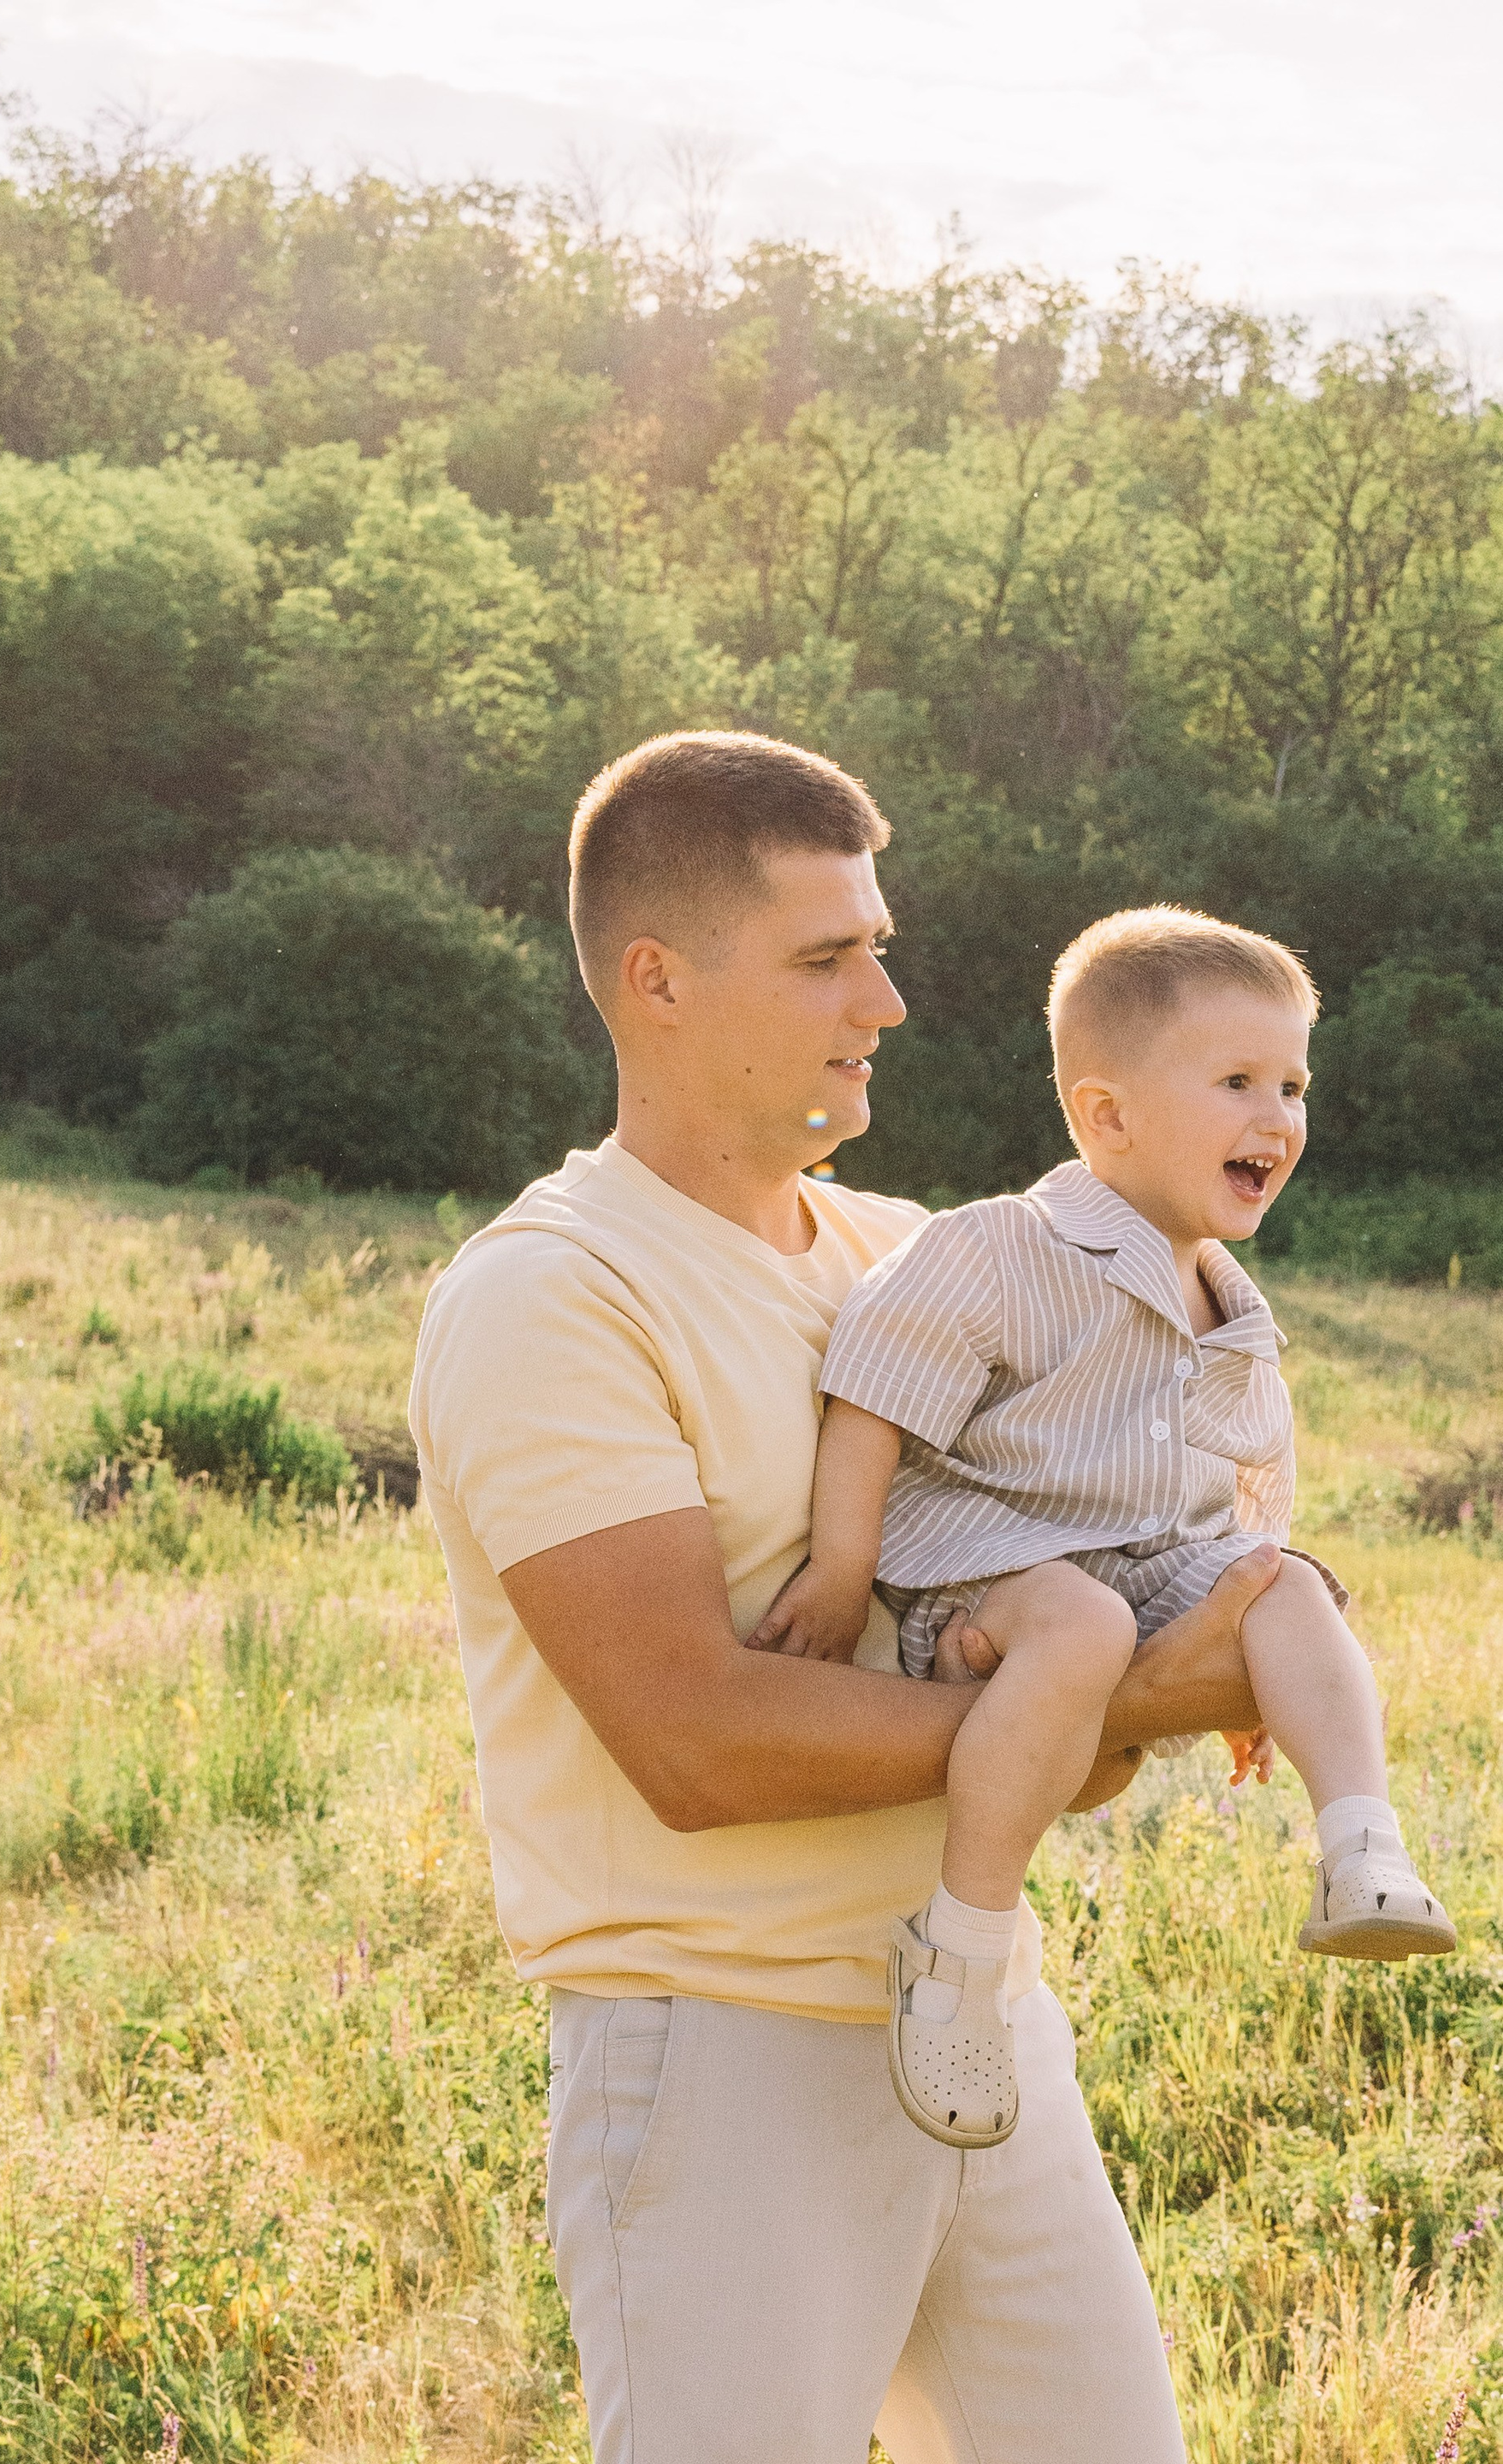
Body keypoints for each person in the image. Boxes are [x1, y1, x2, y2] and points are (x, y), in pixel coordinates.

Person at [408, 735, 1278, 2464]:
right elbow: (695, 1741)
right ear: (658, 981)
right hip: (722, 2060)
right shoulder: (554, 1296)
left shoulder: (925, 1261)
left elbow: (1092, 1654)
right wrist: (1103, 1702)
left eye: (878, 948)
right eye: (825, 958)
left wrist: (1206, 1639)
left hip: (981, 2020)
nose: (884, 1001)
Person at [752, 906, 1453, 2156]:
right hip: (990, 1564)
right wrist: (844, 1568)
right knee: (1079, 1624)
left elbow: (1244, 1495)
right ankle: (958, 1952)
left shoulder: (1230, 1303)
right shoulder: (1002, 1246)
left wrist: (1250, 1655)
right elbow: (875, 1391)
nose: (1278, 1117)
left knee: (1292, 1585)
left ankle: (1360, 1844)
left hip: (1148, 1569)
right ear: (1109, 1115)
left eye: (1293, 1086)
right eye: (1237, 1083)